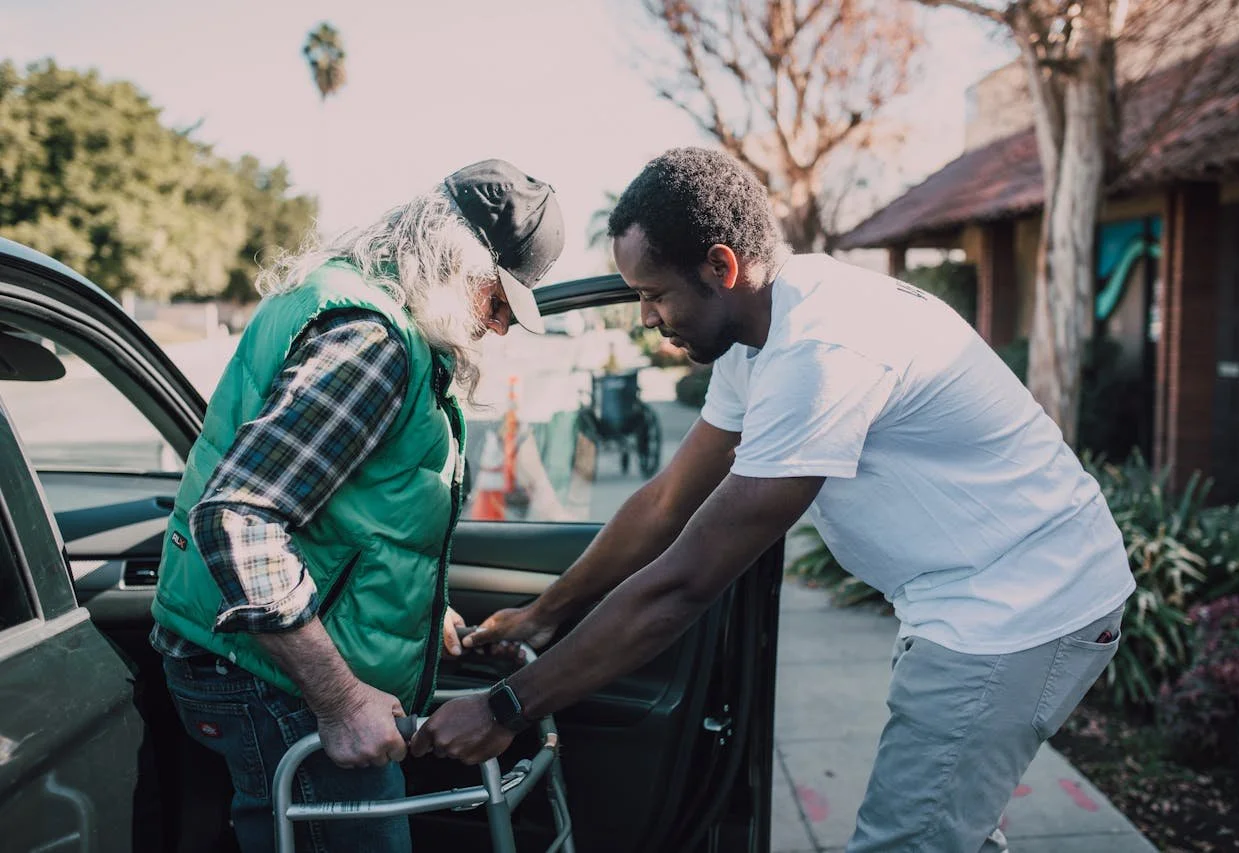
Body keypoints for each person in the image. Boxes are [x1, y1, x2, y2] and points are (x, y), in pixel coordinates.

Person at [416, 147, 1136, 853]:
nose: (644, 316)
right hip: (967, 597)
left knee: (907, 839)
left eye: (654, 292)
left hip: (1020, 608)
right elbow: (669, 500)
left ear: (721, 267)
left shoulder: (820, 350)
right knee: (945, 825)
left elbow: (686, 581)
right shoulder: (759, 334)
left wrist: (507, 707)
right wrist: (545, 613)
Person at [149, 159, 564, 853]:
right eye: (497, 301)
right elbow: (239, 518)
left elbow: (344, 509)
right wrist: (340, 700)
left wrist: (420, 612)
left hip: (245, 657)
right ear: (455, 263)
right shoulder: (372, 342)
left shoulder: (342, 302)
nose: (497, 328)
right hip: (269, 678)